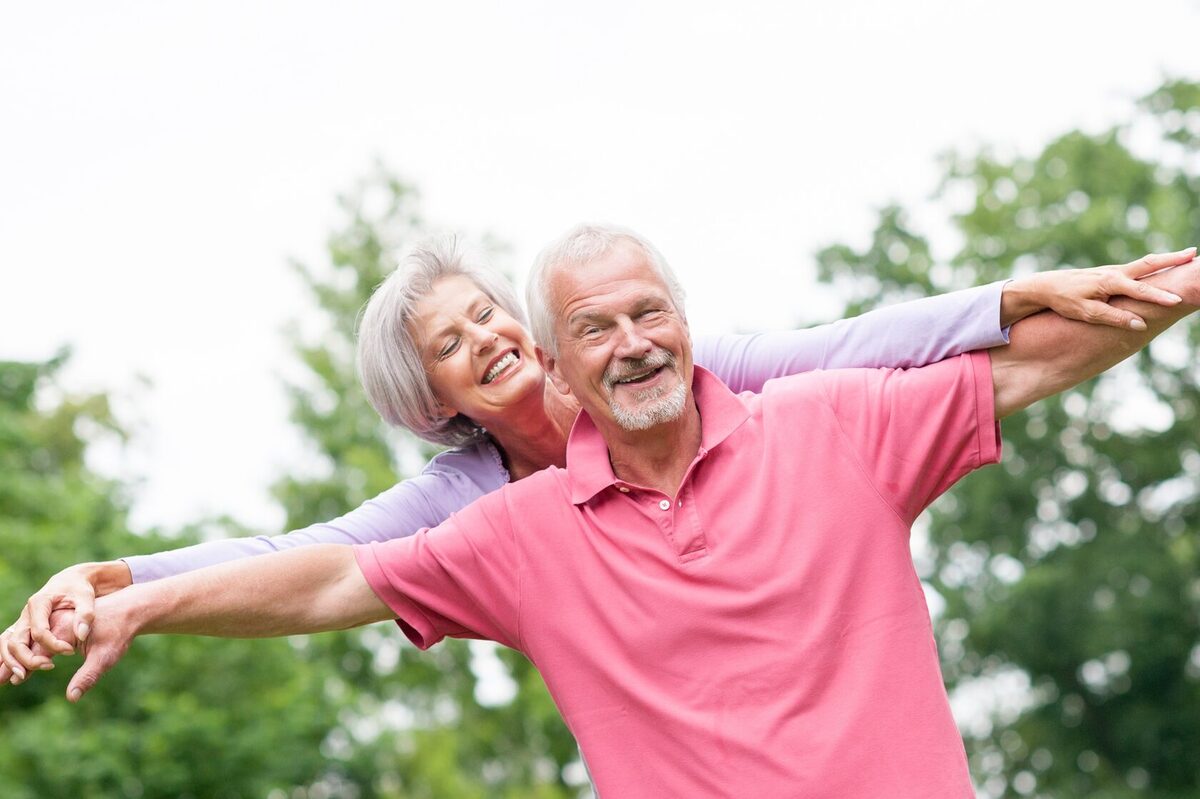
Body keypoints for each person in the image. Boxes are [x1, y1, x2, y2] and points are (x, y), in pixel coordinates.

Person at [10, 226, 1198, 797]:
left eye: (489, 316)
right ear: (433, 400)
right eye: (453, 346)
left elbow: (871, 349)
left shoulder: (741, 387)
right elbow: (309, 564)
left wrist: (1010, 293)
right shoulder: (480, 512)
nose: (490, 342)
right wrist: (127, 581)